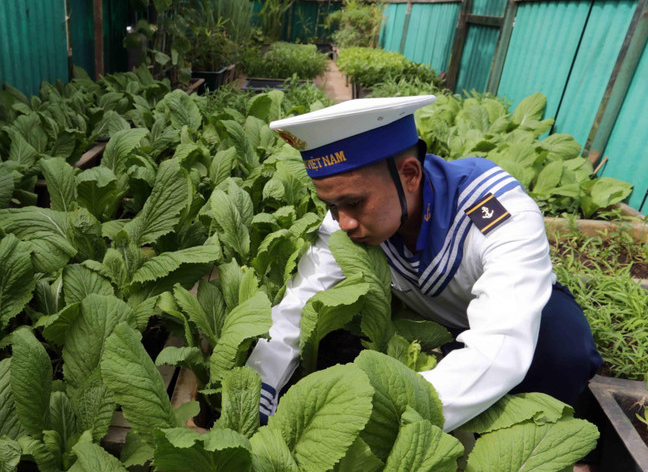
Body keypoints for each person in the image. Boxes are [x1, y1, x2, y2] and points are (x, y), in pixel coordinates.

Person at [247, 95, 602, 432]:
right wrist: (256, 400)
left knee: (565, 352)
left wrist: (394, 421)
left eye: (353, 203)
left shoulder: (498, 212)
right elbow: (298, 306)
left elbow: (503, 344)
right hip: (435, 323)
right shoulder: (348, 221)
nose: (344, 222)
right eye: (332, 206)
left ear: (410, 175)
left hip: (516, 312)